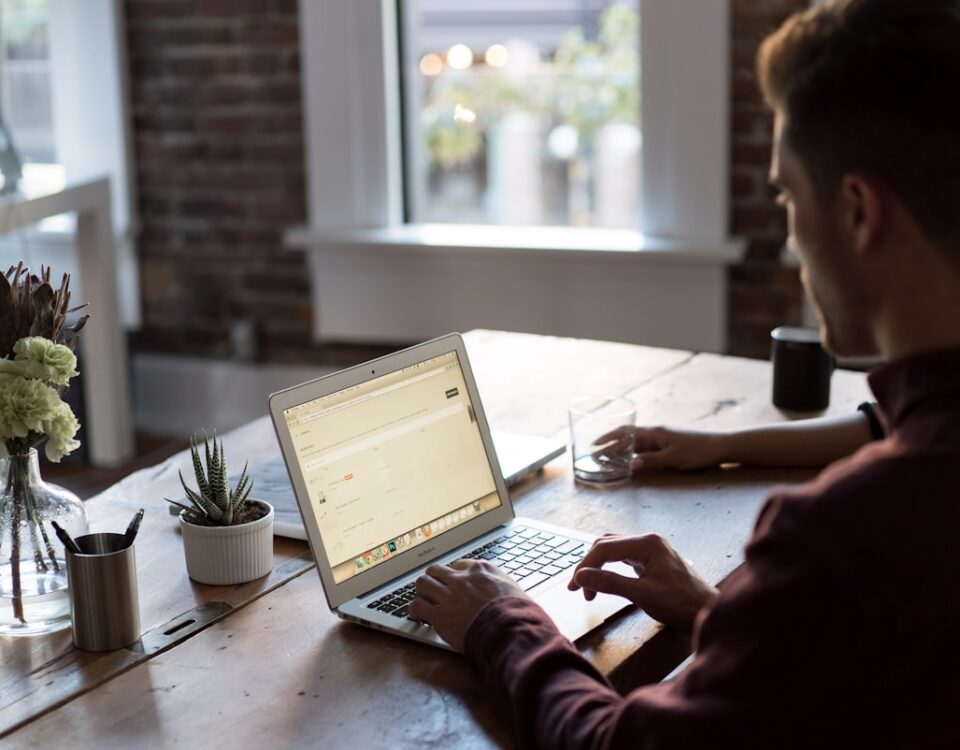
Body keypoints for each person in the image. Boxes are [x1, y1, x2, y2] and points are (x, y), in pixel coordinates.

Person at [409, 0, 960, 746]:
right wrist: (727, 616)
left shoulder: (843, 537)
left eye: (789, 195)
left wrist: (499, 621)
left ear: (860, 212)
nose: (792, 247)